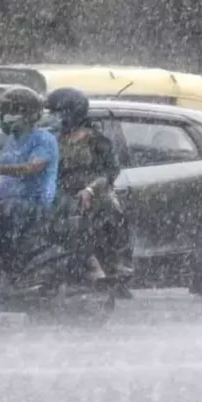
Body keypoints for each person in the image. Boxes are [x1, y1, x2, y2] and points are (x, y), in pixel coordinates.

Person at [44, 87, 131, 284]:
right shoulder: (54, 139)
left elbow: (110, 171)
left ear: (72, 113)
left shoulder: (96, 139)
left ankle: (117, 260)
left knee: (111, 208)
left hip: (94, 190)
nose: (54, 118)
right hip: (61, 192)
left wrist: (90, 189)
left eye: (58, 113)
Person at [0, 87, 59, 276]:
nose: (7, 117)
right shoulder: (8, 139)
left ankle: (11, 271)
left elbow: (32, 167)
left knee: (8, 226)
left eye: (14, 111)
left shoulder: (43, 139)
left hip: (33, 203)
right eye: (5, 111)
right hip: (5, 201)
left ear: (29, 114)